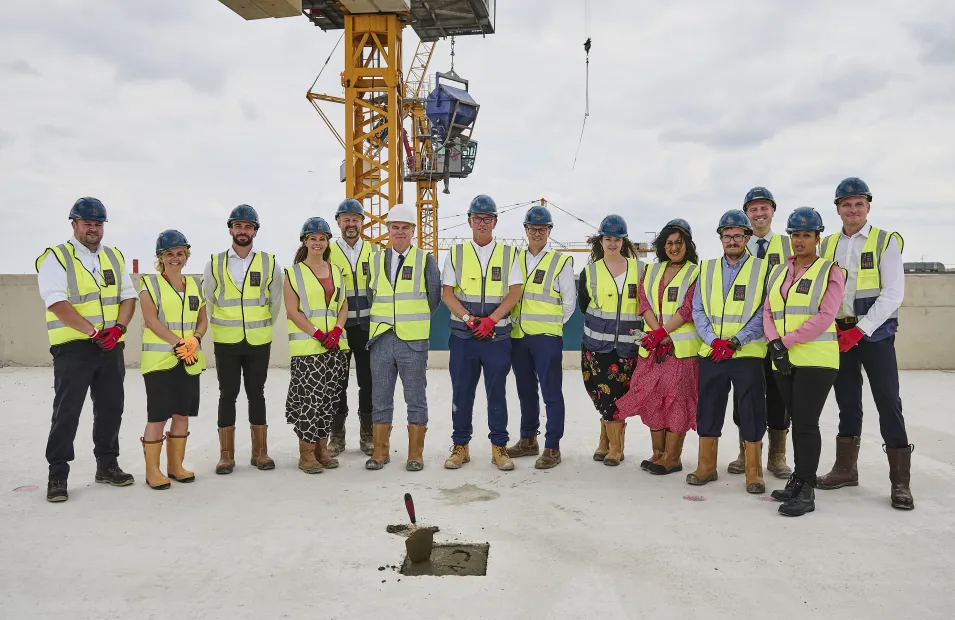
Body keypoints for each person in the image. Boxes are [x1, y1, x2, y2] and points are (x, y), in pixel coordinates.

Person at [816, 177, 913, 510]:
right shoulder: (826, 245)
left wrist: (862, 329)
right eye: (846, 204)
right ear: (838, 209)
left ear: (868, 207)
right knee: (847, 402)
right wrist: (838, 331)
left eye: (859, 203)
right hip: (839, 336)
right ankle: (846, 469)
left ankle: (900, 483)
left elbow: (893, 294)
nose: (852, 209)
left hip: (876, 336)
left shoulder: (886, 242)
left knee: (888, 402)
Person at [36, 197, 138, 502]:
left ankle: (107, 465)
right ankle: (58, 473)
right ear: (74, 224)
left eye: (98, 224)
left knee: (111, 407)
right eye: (87, 223)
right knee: (67, 411)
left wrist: (119, 329)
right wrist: (93, 331)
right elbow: (56, 302)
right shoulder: (56, 257)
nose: (93, 229)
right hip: (74, 347)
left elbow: (128, 297)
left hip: (111, 345)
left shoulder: (114, 257)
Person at [762, 207, 845, 516]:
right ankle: (797, 480)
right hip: (783, 359)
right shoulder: (780, 270)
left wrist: (783, 343)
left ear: (817, 238)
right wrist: (774, 344)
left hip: (816, 359)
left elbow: (826, 317)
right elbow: (768, 310)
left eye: (806, 235)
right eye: (795, 234)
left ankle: (807, 491)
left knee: (807, 424)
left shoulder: (830, 270)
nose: (799, 240)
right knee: (797, 423)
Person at [687, 209, 770, 494]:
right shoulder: (706, 268)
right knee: (708, 406)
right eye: (727, 236)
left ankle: (753, 472)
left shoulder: (763, 269)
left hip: (746, 353)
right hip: (712, 352)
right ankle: (706, 466)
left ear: (748, 237)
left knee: (751, 410)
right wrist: (712, 340)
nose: (732, 240)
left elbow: (764, 312)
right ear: (720, 238)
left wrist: (736, 341)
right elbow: (698, 309)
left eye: (738, 235)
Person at [442, 194, 524, 471]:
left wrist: (492, 319)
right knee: (461, 393)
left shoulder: (509, 253)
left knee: (497, 393)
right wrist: (468, 319)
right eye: (477, 218)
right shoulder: (456, 253)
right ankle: (460, 446)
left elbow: (515, 292)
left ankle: (499, 447)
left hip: (497, 338)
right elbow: (447, 294)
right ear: (469, 221)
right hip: (464, 337)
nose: (482, 223)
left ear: (495, 222)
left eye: (487, 218)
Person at [615, 218, 701, 476]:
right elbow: (643, 302)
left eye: (679, 243)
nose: (674, 248)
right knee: (653, 397)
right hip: (653, 348)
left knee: (676, 400)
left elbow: (688, 308)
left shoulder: (696, 273)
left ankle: (672, 458)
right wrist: (655, 333)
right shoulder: (651, 271)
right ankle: (658, 453)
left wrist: (663, 333)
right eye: (669, 243)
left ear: (688, 245)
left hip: (680, 349)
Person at [203, 205, 283, 474]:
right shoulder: (215, 262)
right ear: (230, 230)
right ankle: (226, 456)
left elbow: (274, 302)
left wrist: (260, 326)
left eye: (248, 227)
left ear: (255, 232)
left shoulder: (269, 263)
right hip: (226, 340)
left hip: (258, 339)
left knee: (256, 393)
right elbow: (209, 300)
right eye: (238, 226)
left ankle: (260, 453)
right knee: (227, 394)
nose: (243, 231)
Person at [364, 204, 442, 471]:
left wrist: (410, 320)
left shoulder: (425, 260)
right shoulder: (375, 260)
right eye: (395, 227)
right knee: (381, 397)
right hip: (382, 339)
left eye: (405, 227)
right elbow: (370, 295)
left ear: (413, 231)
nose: (400, 232)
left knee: (415, 398)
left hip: (413, 341)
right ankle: (379, 452)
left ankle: (415, 454)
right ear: (388, 230)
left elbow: (434, 298)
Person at [725, 187, 794, 478]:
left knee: (780, 395)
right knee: (745, 396)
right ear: (746, 215)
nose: (759, 213)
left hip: (779, 333)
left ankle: (777, 456)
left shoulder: (789, 245)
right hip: (747, 337)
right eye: (753, 209)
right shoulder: (739, 244)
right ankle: (745, 451)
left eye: (764, 208)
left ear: (773, 211)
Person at [504, 204, 576, 469]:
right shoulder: (515, 259)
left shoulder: (560, 262)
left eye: (542, 229)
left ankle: (553, 446)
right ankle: (528, 440)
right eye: (533, 228)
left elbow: (569, 304)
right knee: (525, 391)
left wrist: (552, 327)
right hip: (519, 336)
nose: (537, 233)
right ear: (525, 230)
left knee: (551, 393)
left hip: (546, 338)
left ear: (549, 232)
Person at [138, 230, 208, 490]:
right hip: (160, 363)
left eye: (180, 254)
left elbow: (203, 318)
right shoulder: (150, 285)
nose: (175, 258)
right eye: (169, 254)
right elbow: (151, 320)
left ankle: (175, 466)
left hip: (189, 361)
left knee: (182, 415)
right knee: (158, 417)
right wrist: (177, 342)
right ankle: (152, 471)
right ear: (161, 258)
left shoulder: (195, 285)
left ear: (186, 256)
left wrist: (196, 339)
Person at [283, 217, 350, 474]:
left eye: (322, 238)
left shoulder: (335, 271)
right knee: (309, 401)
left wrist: (336, 330)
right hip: (308, 348)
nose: (318, 242)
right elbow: (292, 311)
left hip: (335, 346)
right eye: (313, 238)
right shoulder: (293, 273)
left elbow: (342, 305)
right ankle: (307, 453)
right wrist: (318, 333)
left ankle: (323, 449)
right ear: (305, 241)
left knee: (329, 399)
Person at [579, 215, 644, 467]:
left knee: (617, 395)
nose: (613, 243)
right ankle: (605, 442)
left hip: (628, 345)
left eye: (617, 239)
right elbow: (585, 306)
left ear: (623, 241)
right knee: (602, 394)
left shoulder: (640, 270)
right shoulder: (591, 271)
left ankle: (616, 447)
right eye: (608, 238)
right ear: (601, 240)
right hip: (597, 345)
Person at [327, 198, 378, 457]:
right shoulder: (328, 252)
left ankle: (367, 434)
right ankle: (337, 435)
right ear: (338, 221)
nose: (350, 223)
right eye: (346, 219)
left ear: (362, 222)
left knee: (368, 382)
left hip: (368, 327)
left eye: (355, 219)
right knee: (337, 382)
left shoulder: (375, 251)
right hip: (341, 327)